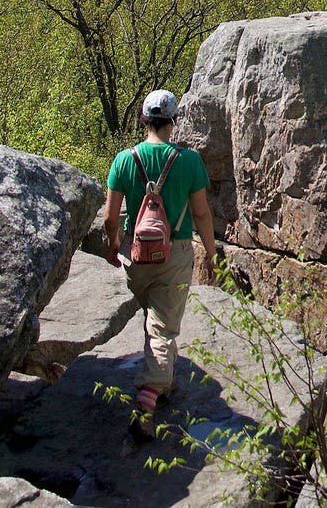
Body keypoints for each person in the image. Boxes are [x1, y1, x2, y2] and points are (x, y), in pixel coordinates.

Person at [102, 88, 218, 439]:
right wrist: (211, 253)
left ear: (143, 120)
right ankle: (147, 402)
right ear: (174, 120)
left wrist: (112, 247)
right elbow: (201, 213)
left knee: (155, 318)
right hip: (175, 253)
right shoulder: (190, 161)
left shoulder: (124, 160)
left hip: (136, 254)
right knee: (163, 326)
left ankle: (163, 381)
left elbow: (110, 217)